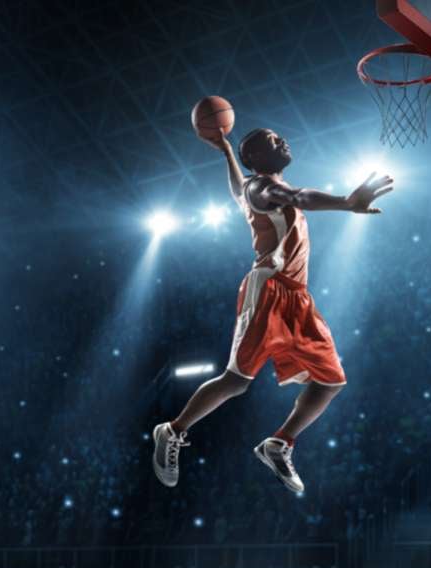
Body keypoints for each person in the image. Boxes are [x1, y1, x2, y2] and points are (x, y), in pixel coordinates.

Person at [151, 127, 393, 493]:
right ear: (258, 159)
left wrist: (226, 150)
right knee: (236, 381)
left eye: (280, 137)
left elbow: (236, 188)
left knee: (331, 381)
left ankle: (278, 443)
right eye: (271, 140)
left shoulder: (250, 189)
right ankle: (172, 431)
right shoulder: (263, 187)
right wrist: (346, 202)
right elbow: (296, 195)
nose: (282, 140)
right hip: (268, 290)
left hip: (298, 295)